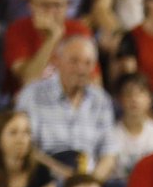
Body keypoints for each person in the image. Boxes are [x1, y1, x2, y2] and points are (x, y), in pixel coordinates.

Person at [16, 35, 113, 169]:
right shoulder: (33, 94)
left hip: (88, 181)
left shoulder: (101, 100)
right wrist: (63, 175)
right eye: (74, 61)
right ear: (57, 61)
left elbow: (109, 154)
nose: (81, 69)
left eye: (88, 63)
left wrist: (93, 181)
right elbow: (26, 148)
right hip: (45, 176)